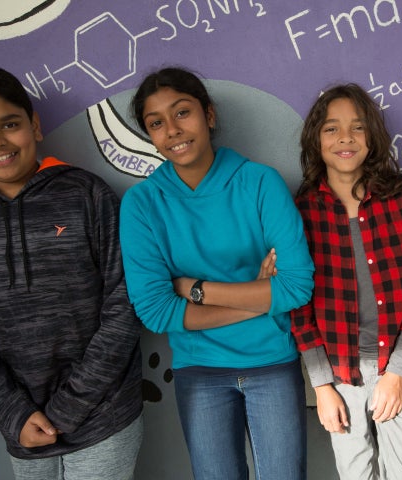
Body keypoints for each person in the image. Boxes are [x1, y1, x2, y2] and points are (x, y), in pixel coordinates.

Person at [0, 65, 144, 480]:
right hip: (21, 424)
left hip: (103, 413)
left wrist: (71, 406)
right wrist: (13, 411)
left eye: (9, 125)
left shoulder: (88, 194)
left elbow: (125, 302)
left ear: (34, 125)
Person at [120, 66, 315, 480]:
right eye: (156, 123)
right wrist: (260, 298)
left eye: (182, 113)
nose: (172, 130)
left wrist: (197, 290)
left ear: (208, 115)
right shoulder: (142, 204)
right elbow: (156, 313)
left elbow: (296, 287)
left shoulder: (261, 183)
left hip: (272, 363)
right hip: (199, 369)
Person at [291, 83, 402, 480]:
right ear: (315, 140)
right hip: (339, 374)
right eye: (331, 129)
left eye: (357, 128)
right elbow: (299, 305)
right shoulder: (301, 210)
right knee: (355, 473)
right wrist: (322, 386)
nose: (345, 139)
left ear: (372, 137)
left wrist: (399, 373)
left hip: (398, 364)